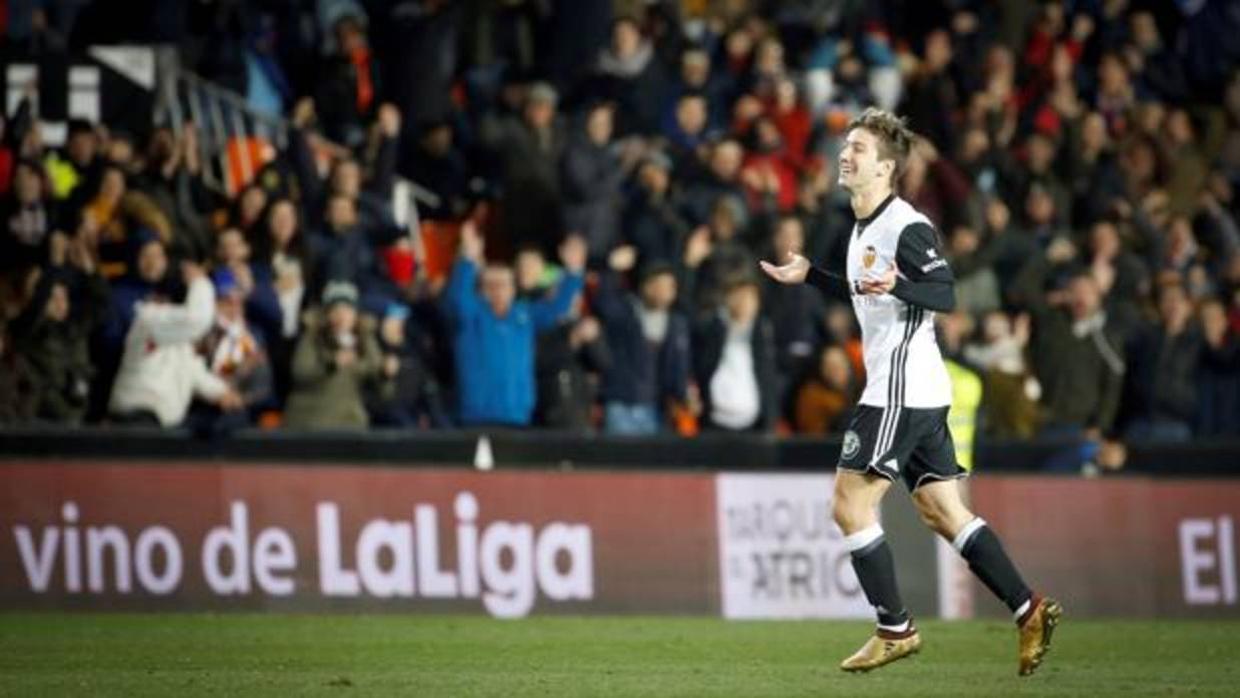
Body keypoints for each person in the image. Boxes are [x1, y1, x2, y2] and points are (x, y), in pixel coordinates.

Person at [760, 108, 1059, 676]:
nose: (845, 155)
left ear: (887, 167)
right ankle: (1029, 609)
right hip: (918, 386)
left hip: (899, 387)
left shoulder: (906, 225)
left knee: (849, 504)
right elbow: (867, 293)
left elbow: (946, 295)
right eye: (845, 145)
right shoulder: (860, 225)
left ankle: (894, 628)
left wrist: (903, 282)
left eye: (859, 149)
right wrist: (813, 277)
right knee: (943, 510)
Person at [443, 222, 586, 427]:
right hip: (477, 417)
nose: (498, 291)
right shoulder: (470, 316)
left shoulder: (523, 315)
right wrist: (467, 259)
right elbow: (457, 298)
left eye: (504, 284)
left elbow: (557, 307)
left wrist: (573, 271)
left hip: (518, 416)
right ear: (480, 289)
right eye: (491, 285)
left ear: (513, 289)